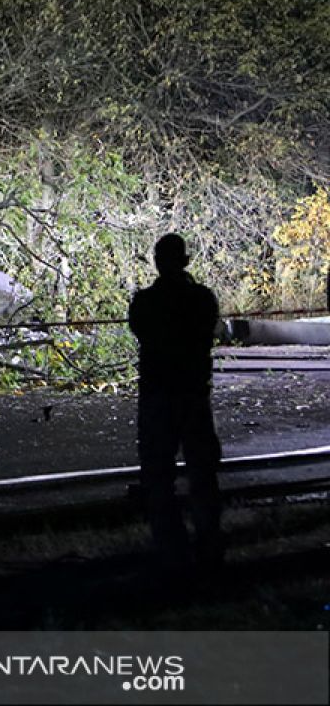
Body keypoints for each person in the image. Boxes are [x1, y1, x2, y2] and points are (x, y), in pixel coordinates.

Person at [129, 233, 223, 567]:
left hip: (158, 395)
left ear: (157, 261)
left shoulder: (144, 303)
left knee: (158, 475)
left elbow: (141, 331)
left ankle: (171, 548)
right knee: (202, 472)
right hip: (193, 393)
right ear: (186, 261)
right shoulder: (202, 299)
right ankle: (209, 543)